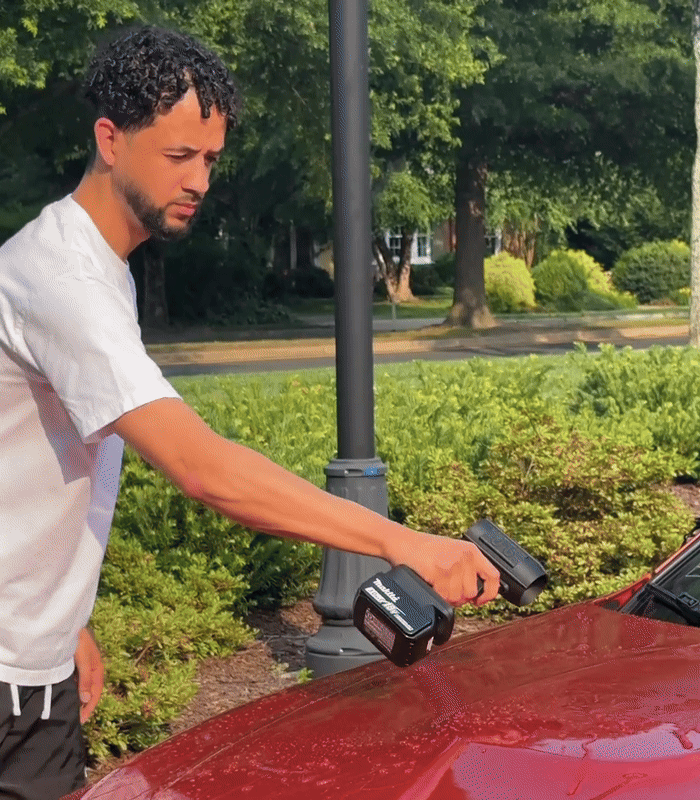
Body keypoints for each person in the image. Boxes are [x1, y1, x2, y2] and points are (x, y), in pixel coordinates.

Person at [0, 25, 500, 800]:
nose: (198, 180)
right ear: (109, 140)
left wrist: (66, 624)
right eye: (178, 156)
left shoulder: (94, 264)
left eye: (210, 159)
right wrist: (402, 544)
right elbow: (203, 469)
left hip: (31, 663)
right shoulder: (63, 278)